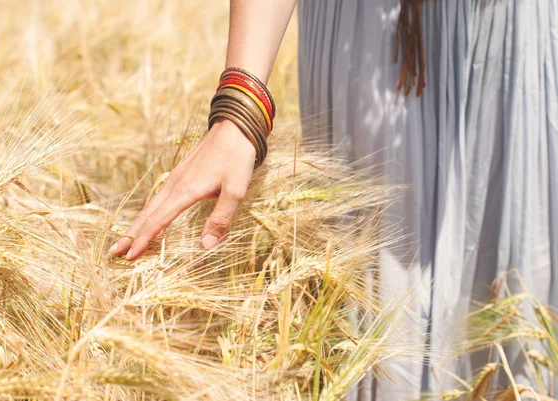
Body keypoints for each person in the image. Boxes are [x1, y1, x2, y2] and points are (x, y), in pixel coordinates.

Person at [109, 1, 558, 399]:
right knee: (381, 324)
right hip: (366, 38)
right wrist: (240, 111)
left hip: (513, 36)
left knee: (513, 310)